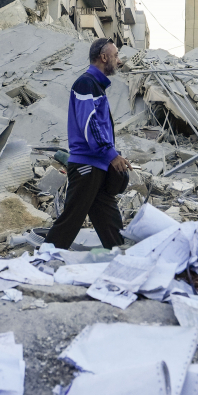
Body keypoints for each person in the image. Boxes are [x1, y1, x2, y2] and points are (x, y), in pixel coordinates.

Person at [44, 38, 130, 250]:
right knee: (71, 220)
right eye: (116, 55)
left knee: (109, 220)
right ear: (104, 57)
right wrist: (111, 154)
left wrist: (111, 156)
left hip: (98, 165)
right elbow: (89, 125)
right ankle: (41, 261)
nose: (119, 61)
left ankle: (122, 259)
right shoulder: (86, 84)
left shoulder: (97, 86)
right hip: (87, 166)